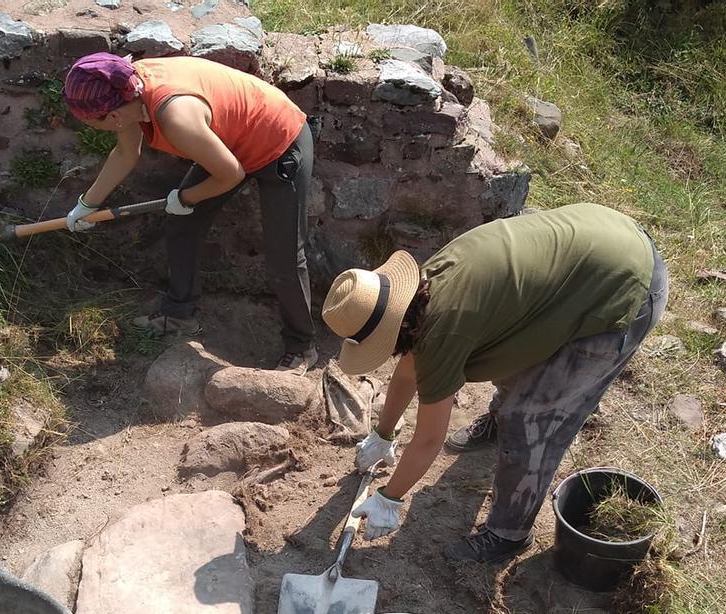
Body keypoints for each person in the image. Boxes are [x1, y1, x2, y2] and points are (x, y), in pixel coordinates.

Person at [320, 203, 669, 563]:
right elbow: (409, 370)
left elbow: (427, 440)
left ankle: (509, 534)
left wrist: (390, 498)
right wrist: (384, 433)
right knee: (505, 352)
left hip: (625, 290)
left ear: (395, 327)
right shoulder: (421, 290)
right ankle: (500, 426)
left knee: (530, 418)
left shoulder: (443, 329)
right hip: (601, 245)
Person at [62, 52, 318, 372]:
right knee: (183, 223)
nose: (91, 127)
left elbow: (230, 174)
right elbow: (127, 152)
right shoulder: (128, 90)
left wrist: (184, 197)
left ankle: (301, 345)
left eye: (90, 122)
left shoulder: (174, 116)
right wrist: (88, 205)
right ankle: (180, 313)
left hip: (278, 138)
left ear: (112, 117)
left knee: (284, 256)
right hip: (228, 142)